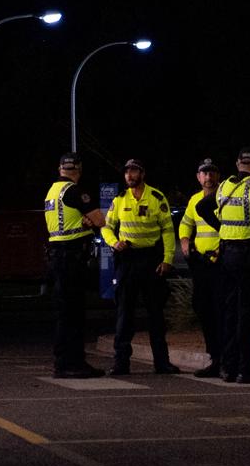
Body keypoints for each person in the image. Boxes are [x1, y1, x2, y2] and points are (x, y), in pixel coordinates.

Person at [100, 159, 181, 375]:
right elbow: (106, 227)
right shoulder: (119, 200)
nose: (129, 176)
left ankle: (162, 362)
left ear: (142, 174)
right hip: (127, 260)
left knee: (156, 313)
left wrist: (167, 259)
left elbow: (167, 230)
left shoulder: (156, 197)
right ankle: (121, 363)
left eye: (133, 171)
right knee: (124, 313)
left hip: (151, 260)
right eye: (126, 172)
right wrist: (113, 242)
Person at [206, 147, 250, 384]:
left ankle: (228, 367)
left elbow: (202, 208)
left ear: (238, 163)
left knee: (229, 312)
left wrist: (224, 228)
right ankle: (246, 369)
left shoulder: (225, 186)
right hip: (249, 256)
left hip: (227, 254)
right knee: (249, 313)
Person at [45, 152, 107, 379]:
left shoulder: (53, 191)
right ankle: (70, 364)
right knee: (73, 314)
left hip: (58, 257)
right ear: (78, 170)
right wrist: (91, 220)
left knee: (65, 313)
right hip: (71, 258)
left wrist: (84, 221)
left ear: (60, 169)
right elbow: (100, 220)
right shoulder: (74, 191)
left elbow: (71, 219)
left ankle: (69, 361)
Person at [179, 158, 224, 378]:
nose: (208, 177)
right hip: (201, 263)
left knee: (221, 311)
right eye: (204, 173)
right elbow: (186, 223)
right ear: (198, 177)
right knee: (203, 309)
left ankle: (225, 358)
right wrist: (186, 242)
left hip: (221, 263)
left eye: (212, 173)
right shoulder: (194, 200)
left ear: (218, 176)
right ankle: (214, 357)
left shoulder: (225, 197)